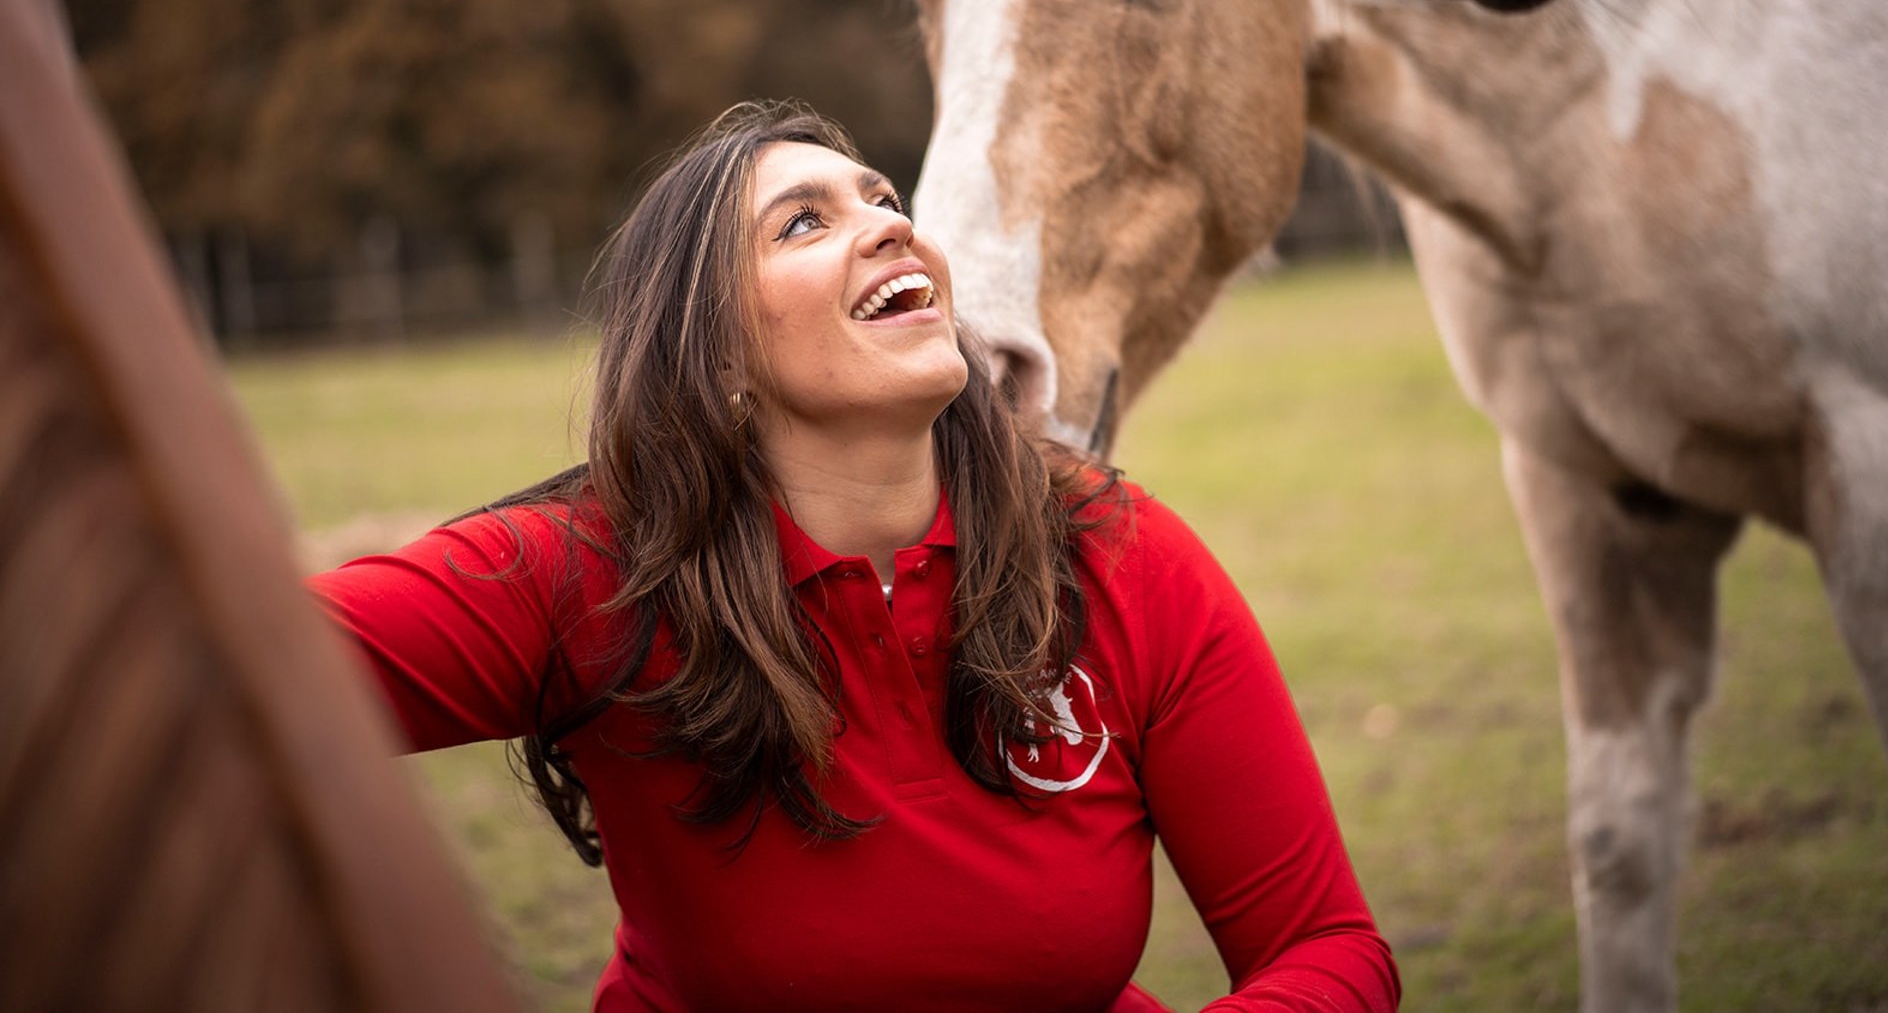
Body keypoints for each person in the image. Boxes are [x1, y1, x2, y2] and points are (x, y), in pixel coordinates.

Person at [310, 101, 1401, 1012]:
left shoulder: (1118, 551)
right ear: (717, 354)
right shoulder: (585, 571)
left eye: (884, 198)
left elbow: (1332, 949)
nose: (890, 226)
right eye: (803, 222)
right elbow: (215, 668)